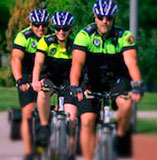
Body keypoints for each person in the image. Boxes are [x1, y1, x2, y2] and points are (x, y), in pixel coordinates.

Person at [69, 0, 143, 159]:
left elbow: (132, 63)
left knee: (127, 103)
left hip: (116, 80)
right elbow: (77, 64)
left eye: (109, 18)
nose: (105, 21)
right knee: (88, 121)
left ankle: (120, 135)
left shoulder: (124, 36)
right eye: (101, 17)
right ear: (95, 16)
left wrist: (137, 84)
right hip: (91, 81)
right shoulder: (84, 36)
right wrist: (75, 86)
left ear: (114, 18)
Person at [31, 11, 77, 157]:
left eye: (65, 28)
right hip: (50, 77)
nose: (61, 32)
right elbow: (38, 63)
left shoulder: (75, 43)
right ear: (54, 28)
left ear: (71, 28)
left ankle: (69, 151)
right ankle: (44, 126)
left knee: (71, 119)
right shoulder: (46, 40)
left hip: (68, 79)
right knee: (43, 92)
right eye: (58, 28)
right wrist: (35, 81)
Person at [11, 9, 50, 160]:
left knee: (48, 108)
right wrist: (19, 79)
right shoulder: (23, 37)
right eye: (37, 25)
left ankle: (46, 138)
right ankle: (28, 152)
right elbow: (15, 60)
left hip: (45, 75)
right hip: (26, 77)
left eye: (44, 25)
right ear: (31, 24)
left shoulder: (52, 36)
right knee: (27, 112)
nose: (41, 28)